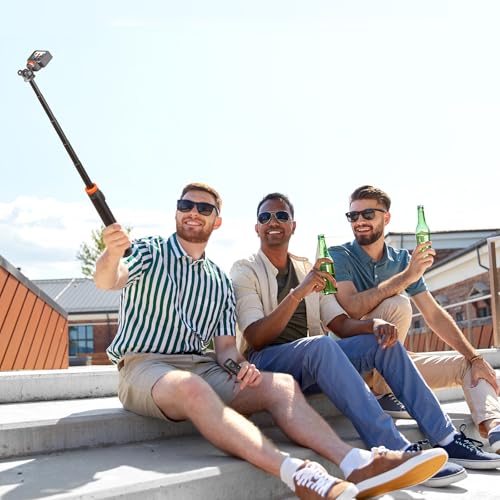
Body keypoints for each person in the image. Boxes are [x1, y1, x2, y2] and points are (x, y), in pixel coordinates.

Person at [93, 182, 447, 500]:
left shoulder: (218, 280)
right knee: (192, 386)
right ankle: (297, 473)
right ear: (176, 212)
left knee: (282, 386)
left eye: (204, 208)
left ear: (217, 221)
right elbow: (110, 280)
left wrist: (239, 367)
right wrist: (110, 254)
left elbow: (226, 349)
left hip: (203, 365)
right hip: (146, 364)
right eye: (186, 205)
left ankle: (359, 462)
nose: (193, 212)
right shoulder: (151, 251)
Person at [230, 192, 500, 489]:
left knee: (380, 342)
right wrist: (298, 293)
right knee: (321, 345)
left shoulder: (308, 268)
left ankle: (446, 437)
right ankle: (395, 450)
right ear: (257, 227)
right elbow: (256, 337)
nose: (273, 222)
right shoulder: (245, 269)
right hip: (267, 363)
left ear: (293, 226)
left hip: (310, 365)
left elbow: (340, 323)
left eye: (281, 216)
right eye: (265, 217)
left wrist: (374, 325)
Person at [329, 185, 500, 454]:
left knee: (469, 365)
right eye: (353, 216)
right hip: (354, 366)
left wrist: (476, 357)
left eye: (368, 214)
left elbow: (433, 314)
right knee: (398, 303)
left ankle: (494, 428)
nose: (359, 220)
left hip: (394, 362)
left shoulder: (401, 260)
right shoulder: (339, 255)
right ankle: (381, 388)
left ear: (386, 218)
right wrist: (407, 276)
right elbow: (351, 308)